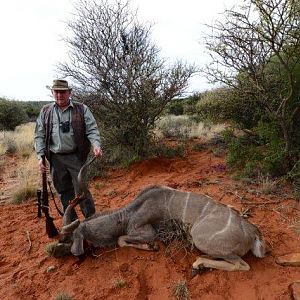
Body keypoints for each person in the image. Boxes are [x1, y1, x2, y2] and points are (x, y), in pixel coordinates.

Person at [34, 79, 102, 221]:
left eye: (63, 92)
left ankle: (92, 222)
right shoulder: (46, 111)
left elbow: (92, 129)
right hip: (55, 159)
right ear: (52, 93)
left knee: (82, 190)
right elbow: (39, 135)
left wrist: (96, 145)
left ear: (69, 92)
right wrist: (40, 157)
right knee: (63, 192)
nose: (59, 95)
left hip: (76, 158)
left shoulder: (81, 109)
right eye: (56, 92)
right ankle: (72, 224)